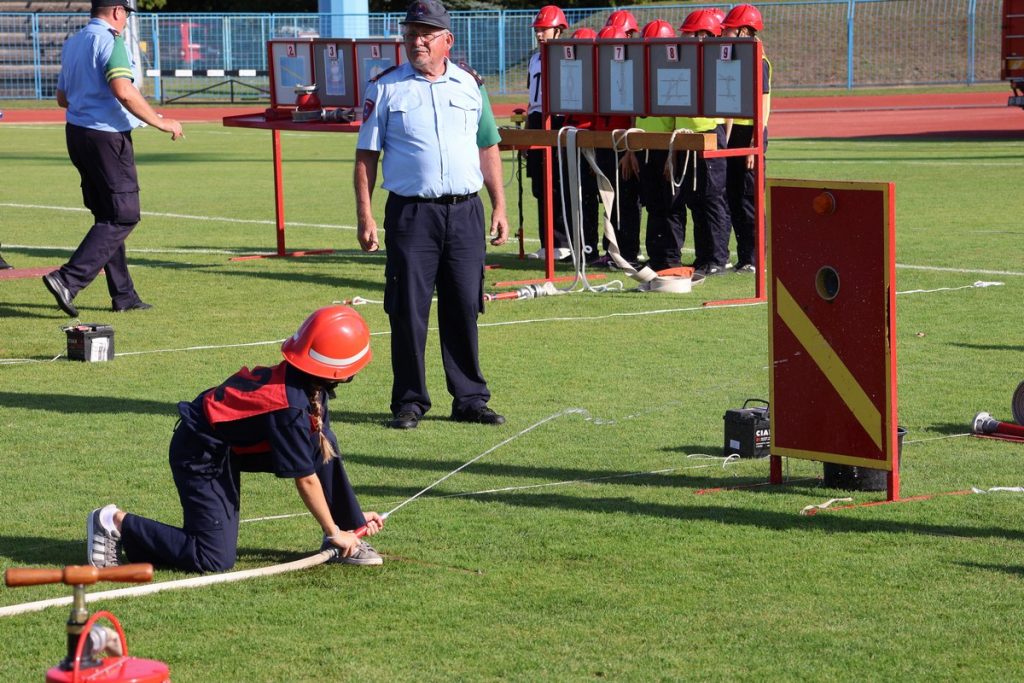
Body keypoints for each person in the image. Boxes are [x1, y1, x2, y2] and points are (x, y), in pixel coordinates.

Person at [85, 306, 386, 572]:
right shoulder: (290, 407)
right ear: (339, 371)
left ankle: (348, 528)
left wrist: (352, 519)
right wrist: (333, 531)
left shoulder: (309, 385)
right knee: (213, 558)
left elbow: (322, 452)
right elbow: (305, 478)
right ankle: (113, 522)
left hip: (228, 449)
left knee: (323, 446)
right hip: (199, 454)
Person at [354, 0, 508, 430]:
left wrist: (499, 204)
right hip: (411, 214)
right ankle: (409, 401)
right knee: (407, 308)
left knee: (464, 305)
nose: (416, 41)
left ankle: (470, 399)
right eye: (410, 33)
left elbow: (488, 146)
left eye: (426, 33)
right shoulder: (385, 87)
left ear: (446, 40)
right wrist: (365, 216)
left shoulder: (470, 85)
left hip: (465, 213)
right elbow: (367, 155)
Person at [44, 0, 182, 318]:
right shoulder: (110, 39)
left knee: (108, 216)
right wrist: (161, 122)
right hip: (106, 137)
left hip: (78, 134)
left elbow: (62, 97)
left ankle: (124, 294)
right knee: (124, 215)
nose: (127, 22)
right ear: (118, 11)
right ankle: (68, 279)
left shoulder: (75, 41)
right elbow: (123, 89)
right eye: (127, 16)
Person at [620, 19, 687, 273]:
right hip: (646, 147)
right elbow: (635, 116)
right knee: (653, 203)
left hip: (668, 148)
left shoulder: (678, 73)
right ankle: (656, 255)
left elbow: (680, 116)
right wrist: (631, 150)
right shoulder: (641, 74)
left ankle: (671, 257)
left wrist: (674, 153)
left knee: (672, 203)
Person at [677, 8, 731, 283]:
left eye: (690, 34)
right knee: (695, 200)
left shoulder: (717, 64)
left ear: (706, 35)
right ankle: (703, 256)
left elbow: (732, 103)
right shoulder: (687, 61)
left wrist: (725, 137)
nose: (685, 38)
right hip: (687, 137)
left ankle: (717, 258)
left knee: (712, 199)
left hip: (709, 133)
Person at [721, 4, 772, 274]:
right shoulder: (735, 59)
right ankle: (744, 258)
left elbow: (761, 108)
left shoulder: (758, 61)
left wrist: (754, 146)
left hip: (751, 135)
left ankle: (754, 259)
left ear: (743, 30)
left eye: (729, 28)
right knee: (734, 197)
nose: (725, 32)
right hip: (735, 137)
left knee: (749, 200)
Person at [526, 5, 572, 262]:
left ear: (559, 30)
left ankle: (563, 242)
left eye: (544, 29)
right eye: (538, 30)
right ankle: (547, 242)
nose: (540, 34)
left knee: (557, 183)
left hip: (556, 118)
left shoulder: (566, 56)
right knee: (539, 185)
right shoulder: (535, 58)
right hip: (536, 119)